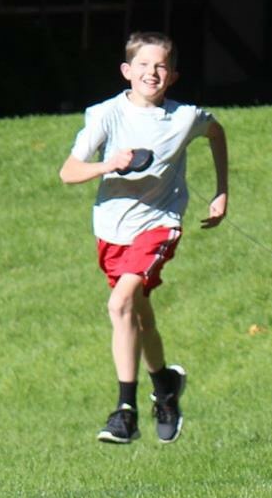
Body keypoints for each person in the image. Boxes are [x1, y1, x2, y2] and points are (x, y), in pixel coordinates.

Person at [59, 32, 228, 443]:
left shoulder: (185, 117)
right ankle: (165, 384)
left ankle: (125, 412)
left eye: (161, 67)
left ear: (173, 75)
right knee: (138, 313)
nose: (152, 73)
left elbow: (217, 133)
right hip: (112, 230)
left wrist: (222, 191)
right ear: (126, 71)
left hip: (159, 225)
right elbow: (69, 172)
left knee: (119, 304)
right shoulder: (105, 115)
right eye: (143, 65)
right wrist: (109, 165)